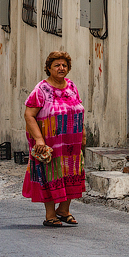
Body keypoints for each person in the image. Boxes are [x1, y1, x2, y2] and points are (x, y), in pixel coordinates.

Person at [22, 50, 85, 227]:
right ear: (49, 68)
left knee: (72, 173)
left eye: (64, 65)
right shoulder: (41, 89)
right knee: (50, 175)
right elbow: (29, 115)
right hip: (50, 143)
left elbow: (78, 109)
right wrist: (39, 140)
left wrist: (83, 134)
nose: (61, 68)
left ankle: (64, 210)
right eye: (57, 65)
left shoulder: (71, 86)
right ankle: (50, 214)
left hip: (71, 144)